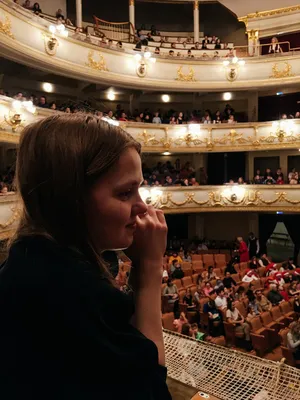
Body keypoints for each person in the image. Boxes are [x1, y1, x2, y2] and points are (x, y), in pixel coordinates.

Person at [0, 114, 171, 399]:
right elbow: (151, 389)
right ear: (71, 200)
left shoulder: (30, 261)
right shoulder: (67, 292)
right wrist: (150, 269)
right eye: (126, 192)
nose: (142, 207)